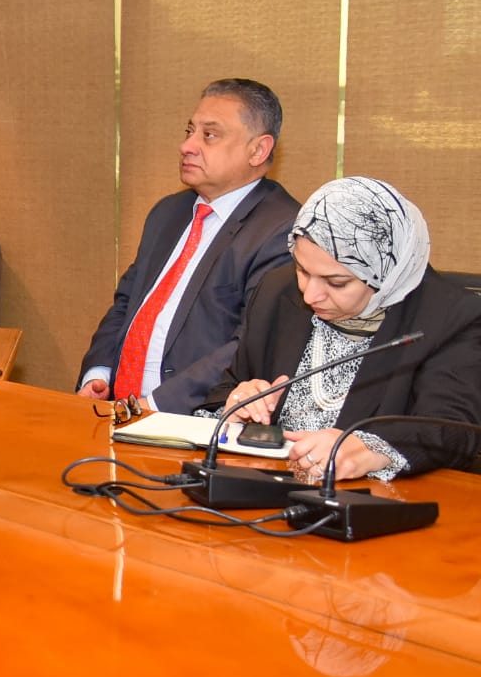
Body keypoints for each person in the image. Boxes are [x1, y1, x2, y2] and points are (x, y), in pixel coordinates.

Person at [204, 176, 481, 481]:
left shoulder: (450, 317)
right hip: (263, 482)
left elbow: (452, 430)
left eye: (336, 282)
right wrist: (237, 405)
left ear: (386, 275)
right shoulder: (277, 290)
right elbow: (226, 388)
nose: (310, 295)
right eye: (302, 270)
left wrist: (373, 450)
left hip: (374, 498)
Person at [78, 78, 300, 412]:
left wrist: (155, 405)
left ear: (258, 150)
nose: (187, 146)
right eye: (189, 131)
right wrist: (99, 373)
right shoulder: (168, 212)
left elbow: (249, 343)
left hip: (189, 417)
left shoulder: (282, 230)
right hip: (118, 407)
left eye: (209, 135)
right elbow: (127, 303)